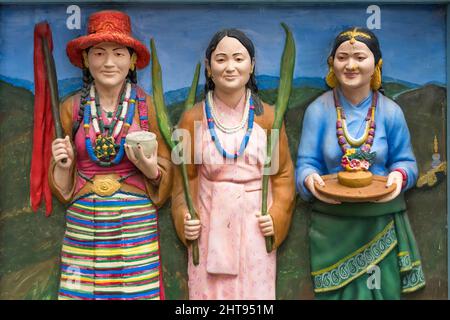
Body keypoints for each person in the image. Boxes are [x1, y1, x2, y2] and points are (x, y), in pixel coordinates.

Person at [48, 10, 173, 300]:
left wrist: (150, 168)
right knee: (81, 290)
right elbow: (62, 182)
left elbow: (165, 171)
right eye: (99, 53)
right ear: (85, 59)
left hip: (135, 219)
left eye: (118, 54)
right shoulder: (73, 108)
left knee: (135, 290)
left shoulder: (145, 106)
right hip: (84, 217)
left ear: (131, 61)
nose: (108, 63)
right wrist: (64, 164)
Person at [295, 27, 425, 299]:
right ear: (332, 64)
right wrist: (310, 180)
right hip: (332, 224)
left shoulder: (390, 112)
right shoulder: (318, 111)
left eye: (360, 57)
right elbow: (306, 164)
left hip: (380, 221)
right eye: (342, 57)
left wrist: (399, 177)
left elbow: (406, 162)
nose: (350, 65)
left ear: (377, 64)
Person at [171, 29, 295, 299]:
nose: (230, 67)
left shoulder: (269, 118)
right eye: (221, 59)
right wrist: (185, 217)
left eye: (238, 59)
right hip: (209, 218)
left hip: (254, 223)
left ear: (251, 66)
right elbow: (183, 178)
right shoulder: (191, 120)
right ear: (208, 67)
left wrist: (277, 215)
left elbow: (283, 174)